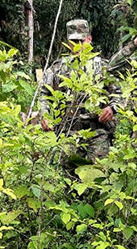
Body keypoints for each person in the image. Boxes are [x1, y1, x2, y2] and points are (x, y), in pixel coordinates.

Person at [40, 19, 118, 165]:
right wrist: (45, 115)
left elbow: (118, 93)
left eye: (81, 41)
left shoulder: (102, 67)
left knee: (98, 178)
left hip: (97, 133)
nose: (77, 46)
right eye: (73, 41)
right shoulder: (57, 69)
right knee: (66, 180)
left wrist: (112, 108)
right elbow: (44, 93)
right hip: (68, 133)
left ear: (89, 39)